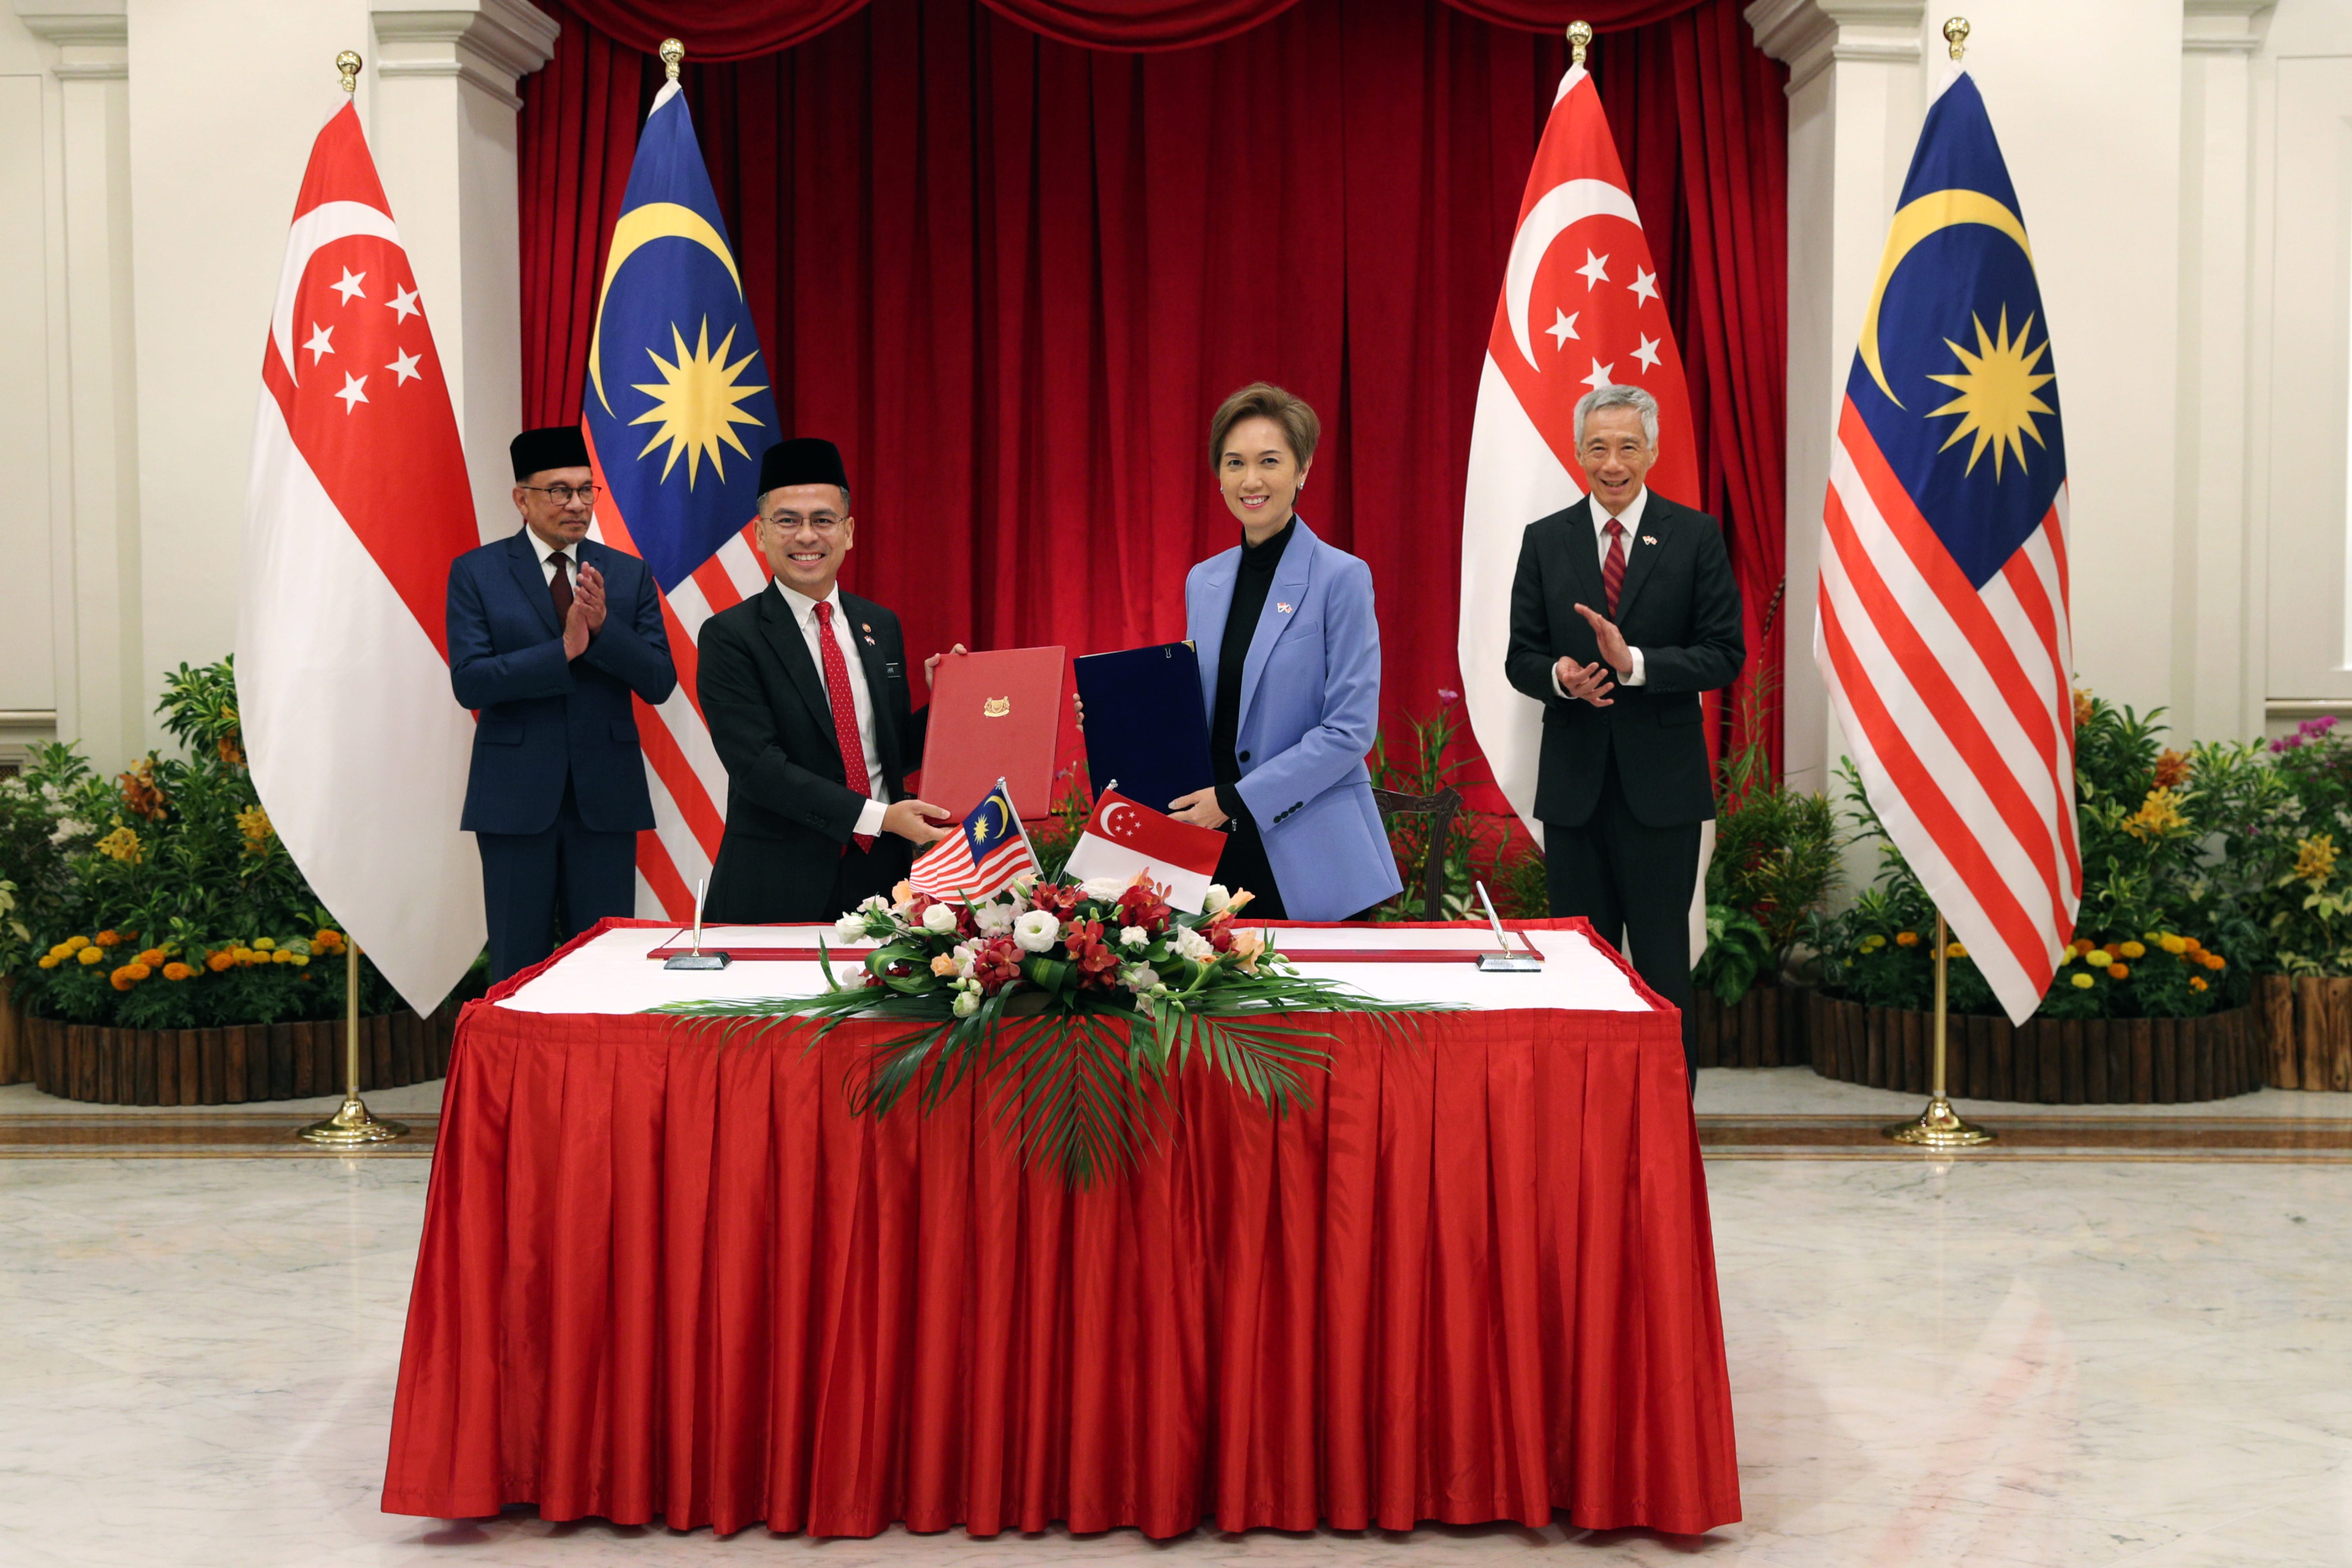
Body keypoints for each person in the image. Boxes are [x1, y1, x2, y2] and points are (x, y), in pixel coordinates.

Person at [1506, 383, 1744, 1079]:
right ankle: (1584, 1108)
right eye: (1599, 448)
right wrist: (1561, 677)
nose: (1614, 463)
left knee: (1665, 961)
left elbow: (1725, 652)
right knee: (1579, 960)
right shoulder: (1546, 540)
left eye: (1629, 447)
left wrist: (1634, 664)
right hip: (1576, 790)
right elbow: (1520, 655)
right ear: (1578, 452)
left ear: (1653, 451)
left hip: (1663, 793)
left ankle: (1670, 1111)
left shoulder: (1693, 535)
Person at [448, 426, 678, 983]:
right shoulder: (478, 572)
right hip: (514, 798)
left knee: (604, 962)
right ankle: (515, 1073)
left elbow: (659, 681)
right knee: (517, 962)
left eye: (585, 490)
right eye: (559, 491)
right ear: (521, 498)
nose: (576, 504)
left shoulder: (627, 573)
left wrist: (604, 630)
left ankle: (601, 1073)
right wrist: (565, 651)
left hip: (605, 797)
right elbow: (471, 683)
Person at [696, 437, 956, 923]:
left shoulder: (881, 625)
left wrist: (952, 702)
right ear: (759, 533)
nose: (807, 537)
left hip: (885, 878)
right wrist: (880, 817)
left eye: (823, 520)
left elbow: (891, 750)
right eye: (788, 521)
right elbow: (759, 769)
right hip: (777, 885)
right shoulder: (730, 636)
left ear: (849, 531)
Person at [1170, 383, 1402, 922]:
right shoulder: (1203, 581)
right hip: (1211, 852)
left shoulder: (1341, 577)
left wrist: (1236, 799)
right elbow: (1205, 707)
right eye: (1235, 463)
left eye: (1269, 461)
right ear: (1220, 475)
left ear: (1302, 470)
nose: (1251, 480)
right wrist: (1123, 717)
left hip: (1308, 851)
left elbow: (1348, 732)